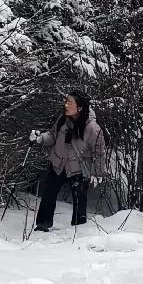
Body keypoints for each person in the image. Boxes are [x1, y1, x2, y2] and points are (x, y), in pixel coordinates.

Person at [29, 90, 107, 232]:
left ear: (80, 108)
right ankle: (42, 226)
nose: (65, 105)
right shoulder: (62, 120)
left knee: (79, 201)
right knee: (48, 196)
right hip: (58, 164)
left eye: (69, 103)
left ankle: (78, 231)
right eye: (65, 101)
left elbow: (99, 153)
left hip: (79, 169)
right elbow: (52, 136)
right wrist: (39, 139)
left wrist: (98, 173)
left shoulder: (93, 129)